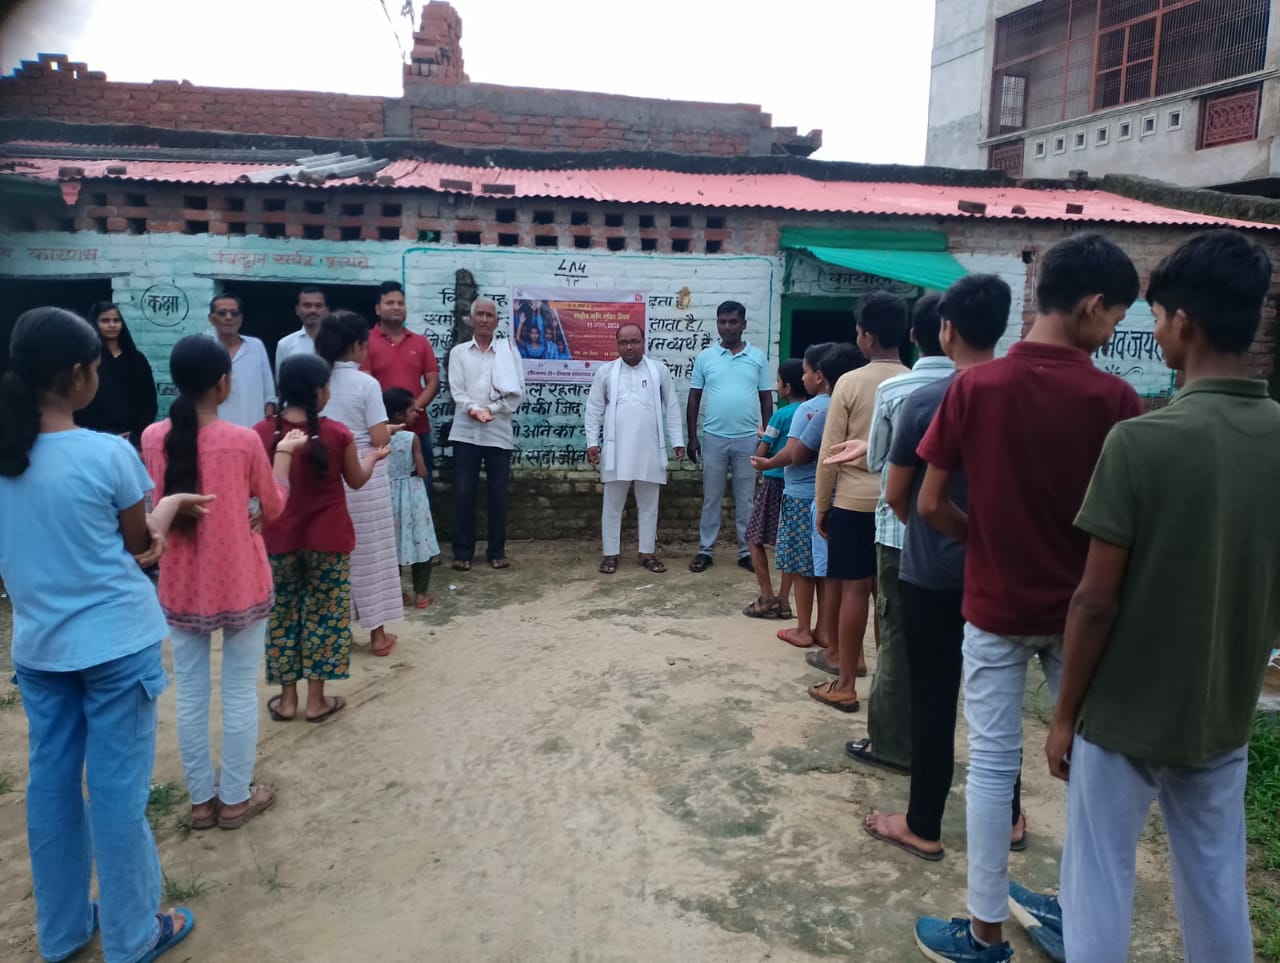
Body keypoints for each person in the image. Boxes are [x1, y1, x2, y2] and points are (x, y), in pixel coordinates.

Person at [1047, 231, 1280, 963]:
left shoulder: (1140, 442)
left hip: (1122, 713)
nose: (1153, 331)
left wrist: (1064, 715)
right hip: (1223, 711)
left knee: (1098, 883)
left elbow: (1094, 601)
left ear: (1183, 321)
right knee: (1216, 885)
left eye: (1155, 317)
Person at [912, 233, 1143, 963]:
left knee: (991, 767)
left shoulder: (976, 388)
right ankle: (1080, 917)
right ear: (1093, 304)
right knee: (1087, 772)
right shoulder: (1116, 399)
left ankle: (984, 932)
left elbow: (928, 504)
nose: (1113, 333)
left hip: (994, 607)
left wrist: (983, 541)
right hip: (1083, 616)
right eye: (1116, 318)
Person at [0, 307, 207, 963]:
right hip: (116, 645)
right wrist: (167, 507)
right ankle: (133, 933)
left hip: (41, 649)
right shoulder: (107, 453)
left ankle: (62, 931)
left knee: (52, 787)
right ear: (80, 376)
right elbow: (141, 546)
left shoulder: (7, 458)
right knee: (118, 795)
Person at [855, 275, 1022, 863]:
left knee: (934, 696)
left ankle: (923, 823)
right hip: (1002, 572)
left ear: (945, 329)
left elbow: (900, 495)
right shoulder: (1021, 398)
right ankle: (1010, 818)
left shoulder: (925, 401)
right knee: (997, 701)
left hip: (932, 573)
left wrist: (935, 534)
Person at [141, 336, 304, 831]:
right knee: (238, 692)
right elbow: (273, 506)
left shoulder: (152, 438)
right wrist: (284, 457)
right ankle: (235, 798)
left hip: (182, 583)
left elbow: (152, 506)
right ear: (223, 383)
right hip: (240, 581)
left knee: (190, 694)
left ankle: (201, 801)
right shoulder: (243, 440)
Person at [848, 294, 955, 772]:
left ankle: (890, 745)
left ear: (915, 334)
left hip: (900, 534)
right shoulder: (975, 388)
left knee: (895, 639)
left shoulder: (897, 391)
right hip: (959, 534)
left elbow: (878, 461)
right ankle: (934, 744)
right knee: (948, 646)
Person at [254, 354, 389, 723]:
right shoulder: (337, 434)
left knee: (282, 616)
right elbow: (356, 481)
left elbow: (254, 489)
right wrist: (373, 459)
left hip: (278, 540)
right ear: (319, 392)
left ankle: (287, 701)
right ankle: (317, 701)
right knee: (325, 616)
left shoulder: (262, 434)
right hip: (328, 539)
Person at [810, 293, 910, 713]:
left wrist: (822, 505)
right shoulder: (913, 381)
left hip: (852, 502)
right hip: (897, 505)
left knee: (853, 590)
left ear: (866, 336)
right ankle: (888, 687)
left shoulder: (849, 382)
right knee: (887, 596)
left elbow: (830, 452)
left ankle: (846, 682)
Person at [315, 310, 404, 656]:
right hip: (365, 472)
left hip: (326, 472)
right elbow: (377, 437)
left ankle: (338, 632)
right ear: (356, 346)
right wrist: (388, 430)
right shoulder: (366, 384)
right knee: (371, 554)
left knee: (335, 554)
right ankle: (377, 635)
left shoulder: (317, 379)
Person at [766, 343, 850, 649]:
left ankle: (803, 629)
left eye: (805, 371)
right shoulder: (846, 403)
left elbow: (795, 454)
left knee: (802, 569)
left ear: (820, 375)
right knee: (825, 568)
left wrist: (766, 463)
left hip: (802, 496)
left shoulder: (810, 409)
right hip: (836, 495)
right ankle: (825, 629)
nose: (802, 378)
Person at [583, 323, 685, 574]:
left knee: (649, 504)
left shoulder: (658, 371)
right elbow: (594, 408)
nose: (629, 347)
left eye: (634, 341)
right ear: (617, 345)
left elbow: (672, 406)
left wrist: (677, 441)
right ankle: (610, 554)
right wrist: (592, 442)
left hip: (649, 448)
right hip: (616, 450)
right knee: (612, 504)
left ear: (643, 342)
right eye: (624, 342)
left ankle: (647, 553)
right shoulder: (606, 372)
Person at [686, 300, 774, 573]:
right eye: (722, 322)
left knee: (746, 499)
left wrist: (767, 439)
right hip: (713, 437)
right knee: (711, 498)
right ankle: (705, 550)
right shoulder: (705, 357)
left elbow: (766, 399)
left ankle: (747, 552)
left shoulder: (757, 358)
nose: (727, 327)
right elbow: (694, 398)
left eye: (733, 321)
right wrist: (692, 437)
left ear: (743, 324)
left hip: (748, 439)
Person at [447, 297, 524, 571]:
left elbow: (516, 394)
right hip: (465, 433)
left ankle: (496, 551)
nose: (483, 319)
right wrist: (473, 410)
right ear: (471, 319)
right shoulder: (459, 353)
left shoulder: (508, 352)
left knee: (498, 495)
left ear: (497, 321)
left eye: (489, 315)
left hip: (498, 434)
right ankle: (463, 552)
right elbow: (457, 391)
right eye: (479, 314)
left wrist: (489, 410)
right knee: (463, 493)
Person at [743, 359, 808, 616]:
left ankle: (767, 596)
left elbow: (762, 454)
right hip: (799, 486)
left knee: (753, 538)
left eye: (779, 381)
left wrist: (764, 442)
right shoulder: (811, 411)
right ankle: (783, 600)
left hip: (774, 482)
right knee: (788, 542)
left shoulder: (780, 415)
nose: (777, 386)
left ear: (787, 387)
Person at [360, 281, 441, 487]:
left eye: (400, 303)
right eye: (390, 303)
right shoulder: (365, 342)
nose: (396, 307)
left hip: (418, 427)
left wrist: (411, 410)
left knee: (421, 485)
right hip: (380, 429)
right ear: (377, 309)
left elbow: (433, 382)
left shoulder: (420, 342)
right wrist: (390, 417)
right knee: (383, 486)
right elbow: (365, 384)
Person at [383, 387, 441, 607]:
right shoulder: (411, 438)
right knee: (420, 542)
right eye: (411, 410)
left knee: (392, 545)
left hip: (388, 496)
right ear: (399, 415)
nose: (416, 413)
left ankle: (395, 594)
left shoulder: (378, 438)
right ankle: (421, 596)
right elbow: (422, 470)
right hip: (412, 496)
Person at [74, 301, 157, 448]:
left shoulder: (136, 359)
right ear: (95, 323)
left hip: (132, 440)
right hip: (96, 439)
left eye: (116, 320)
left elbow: (148, 401)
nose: (112, 325)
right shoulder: (88, 360)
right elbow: (80, 403)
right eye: (105, 321)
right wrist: (107, 435)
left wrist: (136, 434)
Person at [206, 293, 275, 428]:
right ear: (211, 319)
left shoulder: (256, 347)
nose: (228, 318)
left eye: (234, 313)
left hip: (253, 429)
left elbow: (269, 396)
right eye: (222, 313)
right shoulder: (204, 349)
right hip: (216, 430)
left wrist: (267, 426)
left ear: (241, 318)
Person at [273, 286, 327, 381]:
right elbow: (281, 382)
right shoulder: (285, 344)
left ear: (326, 310)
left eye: (318, 306)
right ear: (297, 310)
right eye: (307, 305)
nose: (313, 310)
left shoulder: (338, 342)